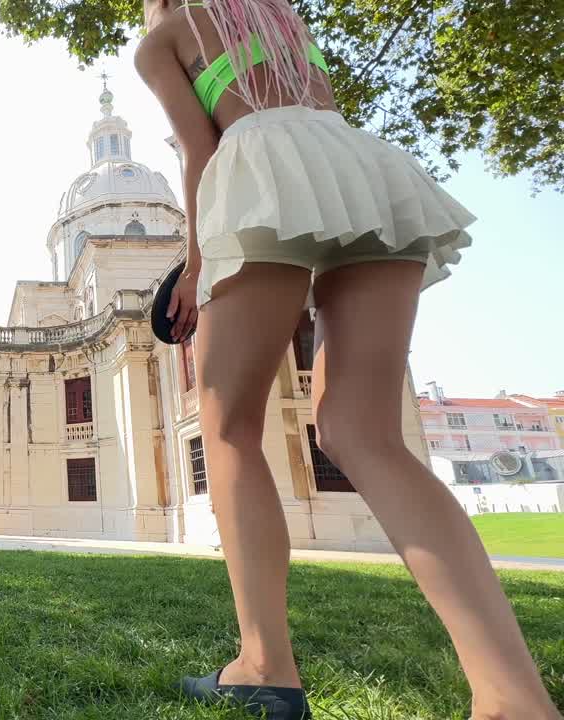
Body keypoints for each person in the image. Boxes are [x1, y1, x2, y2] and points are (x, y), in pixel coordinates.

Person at [134, 1, 562, 718]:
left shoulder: (165, 37)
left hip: (257, 170)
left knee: (231, 425)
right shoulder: (284, 18)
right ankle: (513, 698)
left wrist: (193, 265)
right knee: (367, 435)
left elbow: (202, 154)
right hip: (361, 168)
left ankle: (265, 665)